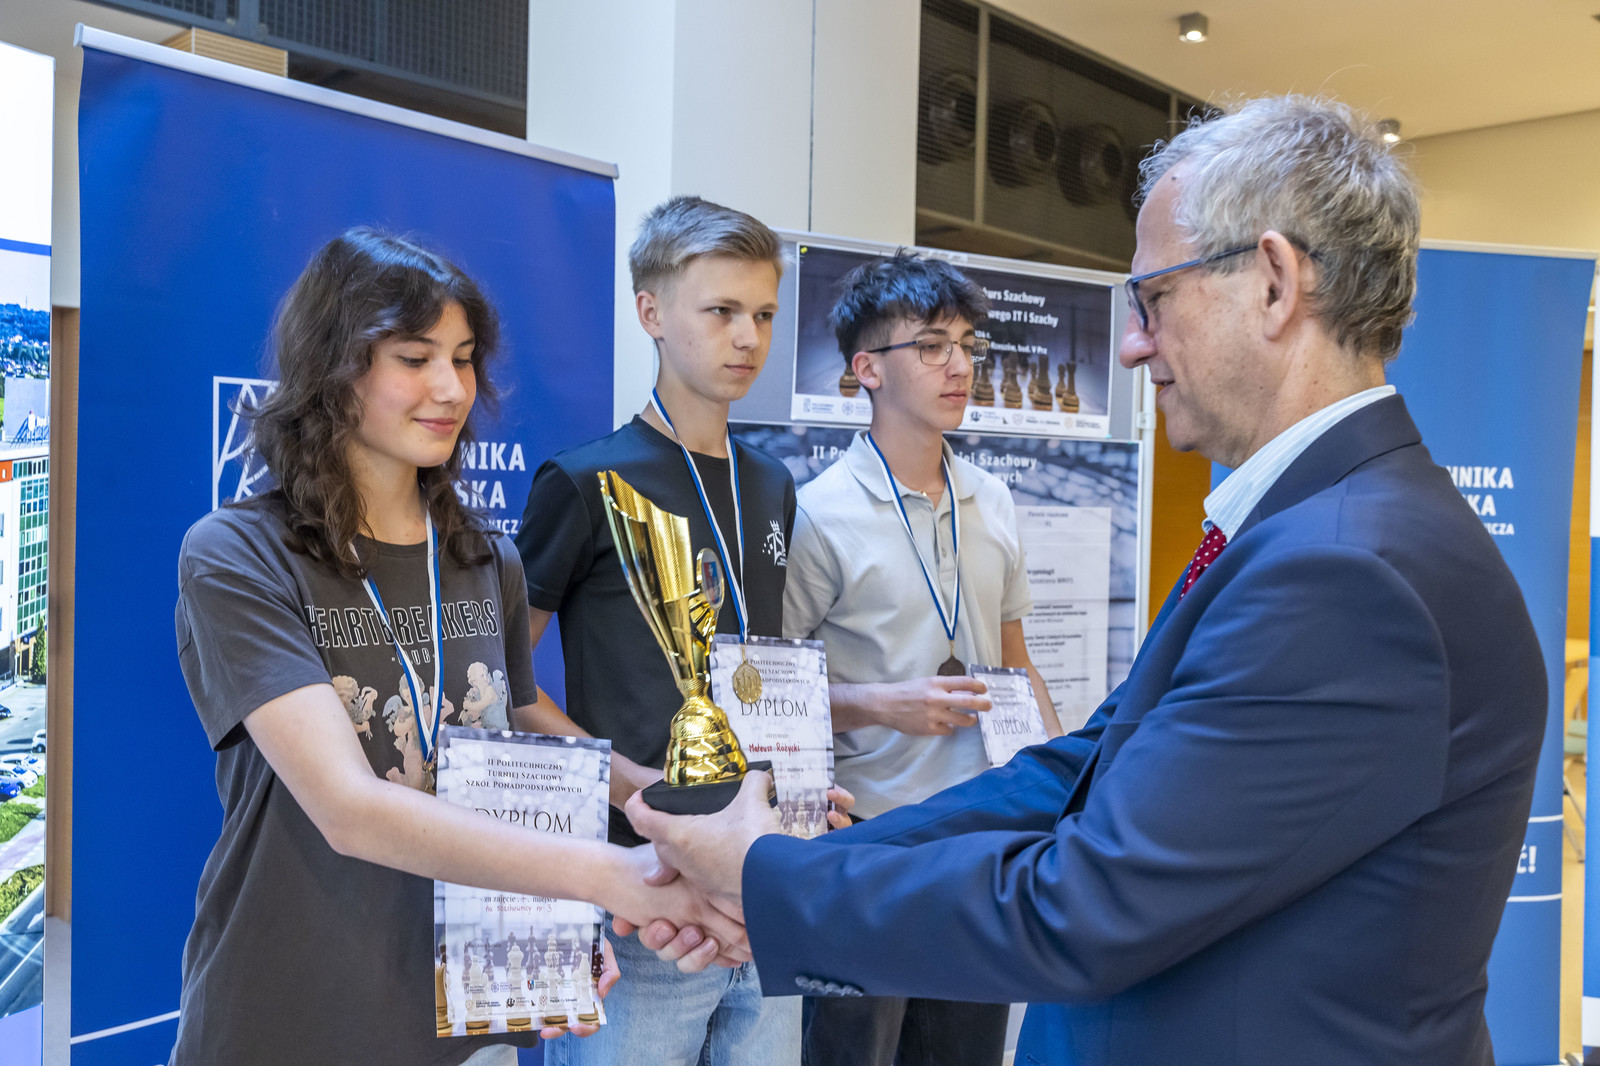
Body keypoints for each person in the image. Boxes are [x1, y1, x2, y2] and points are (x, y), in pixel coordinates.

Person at [627, 96, 1548, 1065]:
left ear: (1274, 284)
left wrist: (767, 882)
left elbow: (1084, 904)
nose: (1132, 344)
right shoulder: (1320, 529)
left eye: (1153, 300)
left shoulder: (1346, 571)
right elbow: (1088, 766)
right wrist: (787, 866)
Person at [172, 228, 742, 1066]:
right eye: (414, 357)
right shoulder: (239, 554)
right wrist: (608, 875)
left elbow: (516, 719)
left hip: (467, 1013)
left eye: (464, 359)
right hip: (295, 1009)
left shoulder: (484, 558)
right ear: (332, 368)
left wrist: (674, 812)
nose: (450, 388)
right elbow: (348, 807)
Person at [513, 195, 848, 1066]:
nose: (748, 338)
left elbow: (763, 675)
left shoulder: (771, 483)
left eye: (764, 315)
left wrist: (800, 782)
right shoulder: (584, 482)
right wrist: (637, 789)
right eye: (722, 311)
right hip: (643, 891)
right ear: (652, 313)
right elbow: (503, 685)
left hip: (762, 882)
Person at [775, 250, 1062, 1066]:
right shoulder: (818, 513)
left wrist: (1060, 782)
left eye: (968, 345)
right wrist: (882, 703)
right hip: (871, 837)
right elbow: (772, 698)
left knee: (968, 1051)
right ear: (867, 368)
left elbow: (1016, 659)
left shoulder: (992, 498)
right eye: (932, 346)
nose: (960, 366)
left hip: (985, 836)